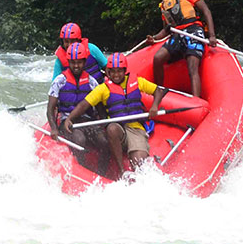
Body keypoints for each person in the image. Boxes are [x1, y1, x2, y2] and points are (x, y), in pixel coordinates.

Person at [63, 52, 168, 177]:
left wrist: (155, 106)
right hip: (118, 130)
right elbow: (84, 104)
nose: (116, 75)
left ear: (124, 71)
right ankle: (121, 171)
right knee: (112, 128)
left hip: (136, 129)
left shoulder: (138, 82)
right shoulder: (103, 89)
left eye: (119, 71)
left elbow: (158, 91)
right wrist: (69, 118)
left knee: (140, 165)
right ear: (108, 72)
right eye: (112, 71)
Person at [149, 0, 214, 99]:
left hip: (193, 31)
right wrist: (154, 38)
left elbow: (206, 11)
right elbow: (167, 29)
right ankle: (159, 92)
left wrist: (212, 35)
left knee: (192, 67)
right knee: (158, 58)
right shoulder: (164, 2)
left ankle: (196, 101)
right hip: (177, 34)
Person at [47, 42, 112, 175]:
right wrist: (54, 128)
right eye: (73, 62)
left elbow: (100, 109)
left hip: (87, 120)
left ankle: (102, 172)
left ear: (84, 62)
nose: (76, 66)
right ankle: (82, 169)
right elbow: (50, 109)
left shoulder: (91, 81)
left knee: (105, 143)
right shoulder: (60, 81)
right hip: (67, 121)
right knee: (80, 140)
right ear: (68, 62)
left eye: (79, 62)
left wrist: (103, 125)